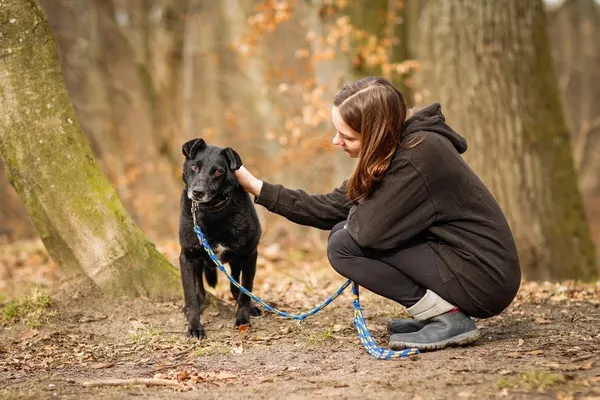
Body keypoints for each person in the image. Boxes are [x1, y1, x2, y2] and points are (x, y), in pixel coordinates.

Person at [234, 76, 521, 351]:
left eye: (346, 135)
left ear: (375, 134)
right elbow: (332, 207)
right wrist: (255, 186)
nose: (336, 141)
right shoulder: (395, 148)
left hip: (483, 277)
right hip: (461, 261)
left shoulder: (419, 156)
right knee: (341, 234)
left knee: (343, 245)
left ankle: (448, 319)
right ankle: (438, 314)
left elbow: (368, 233)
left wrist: (356, 210)